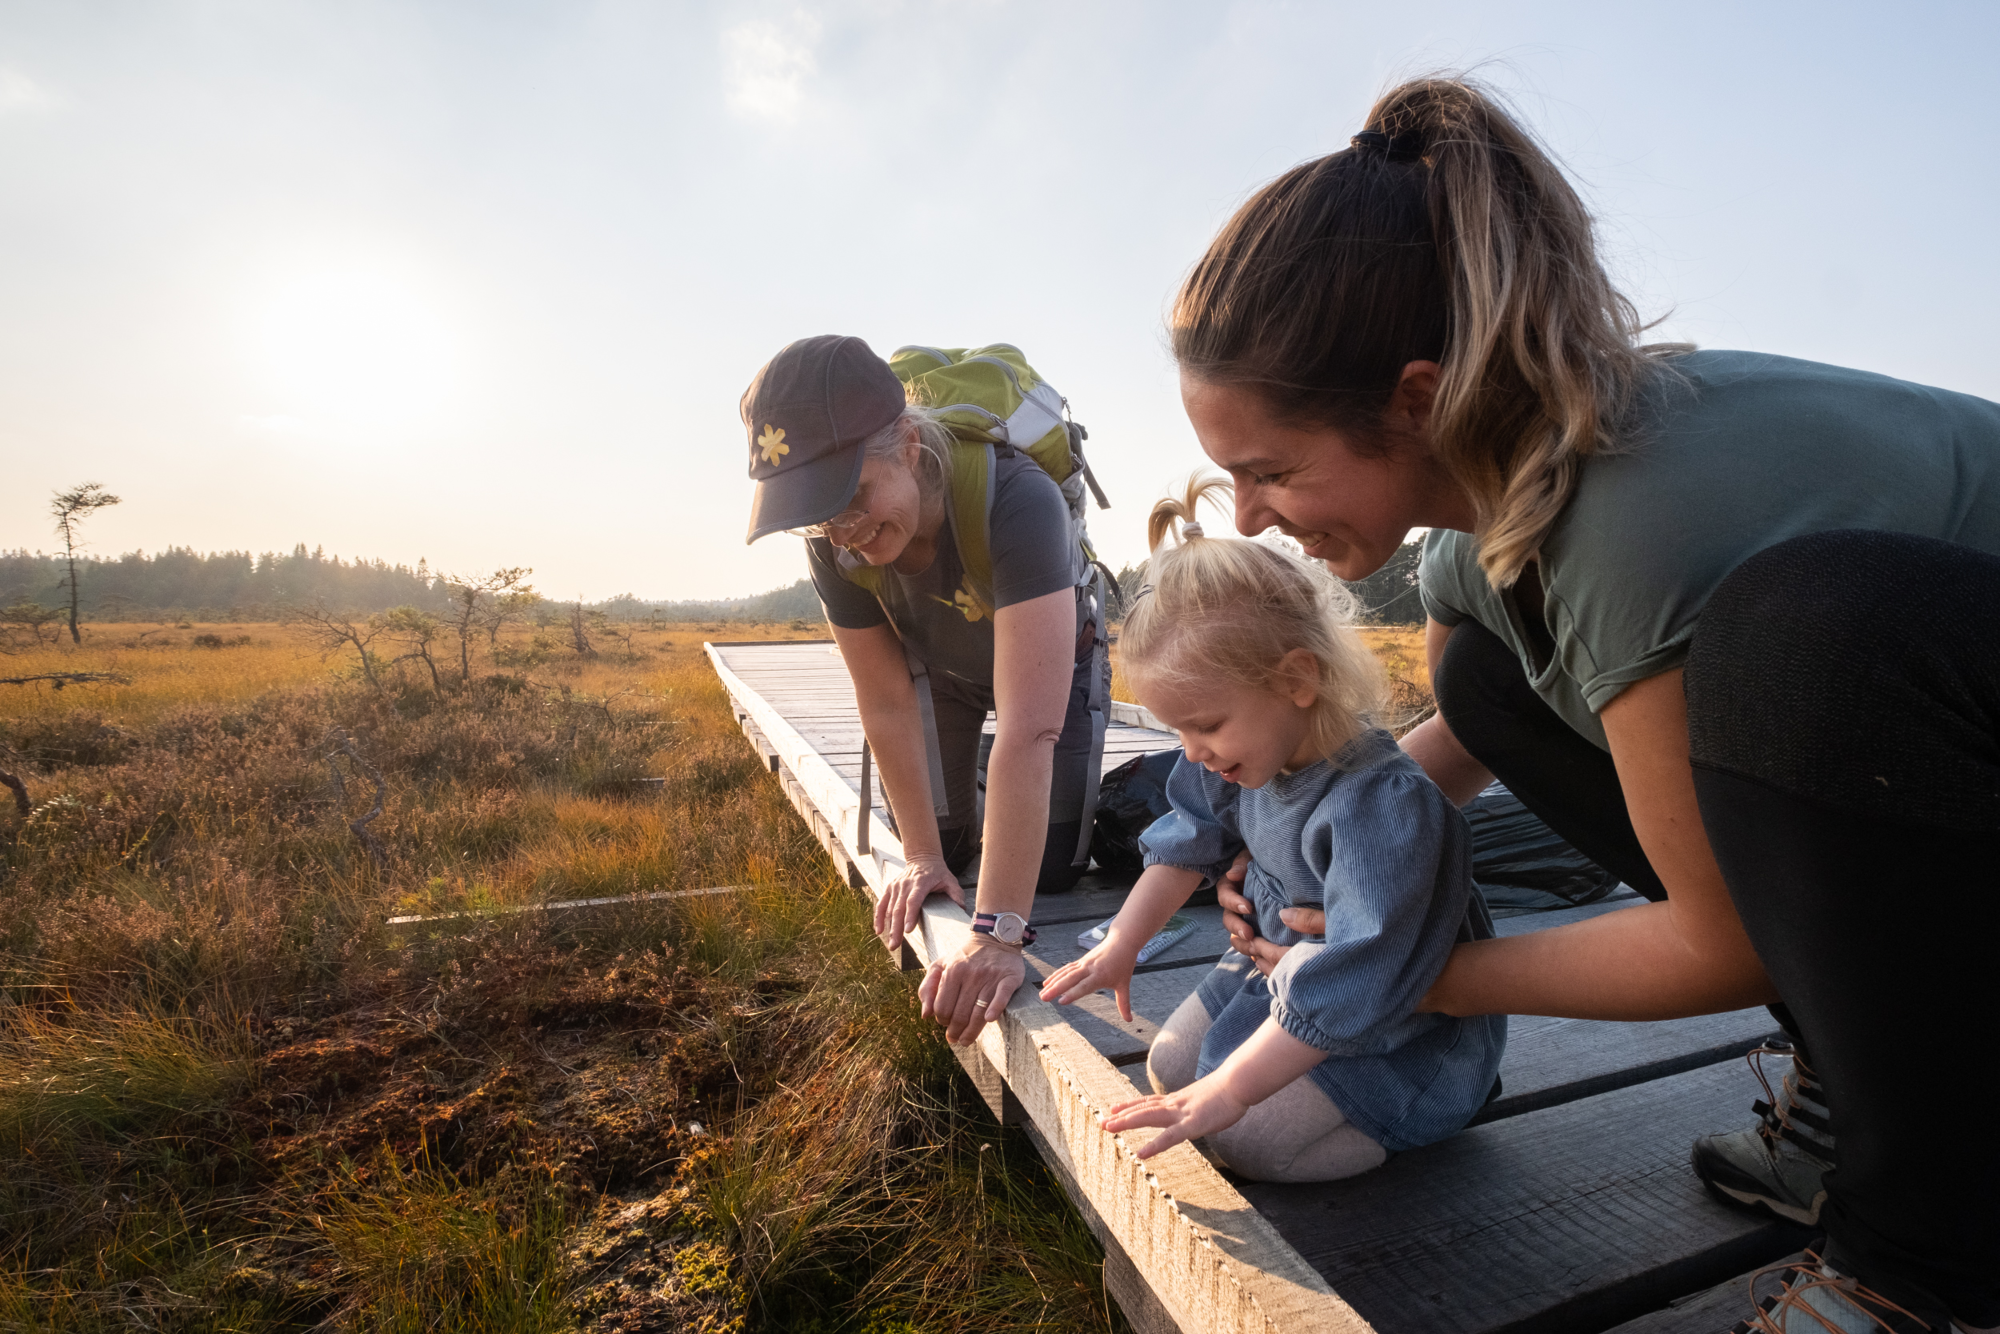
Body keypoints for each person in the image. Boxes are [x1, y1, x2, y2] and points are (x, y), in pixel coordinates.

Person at [1168, 77, 1998, 1333]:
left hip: (1927, 694)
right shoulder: (1487, 518)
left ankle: (1926, 1265)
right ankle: (1860, 1088)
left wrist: (1411, 974)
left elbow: (1718, 942)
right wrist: (1292, 839)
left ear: (1412, 397)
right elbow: (1431, 753)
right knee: (1483, 677)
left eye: (1270, 469)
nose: (1245, 517)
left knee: (1799, 641)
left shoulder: (1630, 510)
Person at [1038, 478, 1504, 1181]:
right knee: (1169, 1065)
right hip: (1274, 965)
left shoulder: (1382, 805)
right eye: (1178, 729)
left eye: (1205, 725)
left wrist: (1230, 1092)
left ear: (1296, 680)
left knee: (1252, 1142)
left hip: (1387, 1016)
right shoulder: (1237, 760)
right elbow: (1186, 840)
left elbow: (1360, 971)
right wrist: (1123, 944)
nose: (1190, 751)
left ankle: (1435, 1107)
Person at [741, 335, 1110, 1046]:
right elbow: (884, 700)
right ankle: (979, 779)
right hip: (944, 674)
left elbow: (1033, 727)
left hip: (1048, 678)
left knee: (1057, 871)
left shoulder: (1018, 500)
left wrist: (1000, 933)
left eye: (853, 497)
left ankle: (993, 777)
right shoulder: (832, 545)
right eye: (819, 513)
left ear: (908, 445)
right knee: (941, 845)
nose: (844, 534)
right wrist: (919, 858)